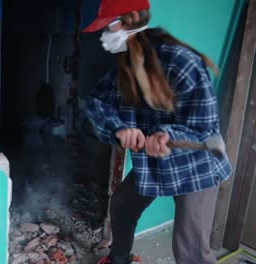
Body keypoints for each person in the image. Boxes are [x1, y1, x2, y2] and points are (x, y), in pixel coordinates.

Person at [81, 0, 233, 263]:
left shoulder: (182, 62)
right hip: (153, 163)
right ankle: (119, 259)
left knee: (190, 248)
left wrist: (168, 135)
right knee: (122, 206)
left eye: (109, 25)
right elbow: (97, 101)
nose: (105, 35)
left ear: (135, 17)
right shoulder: (125, 64)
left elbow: (205, 129)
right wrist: (120, 127)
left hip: (194, 165)